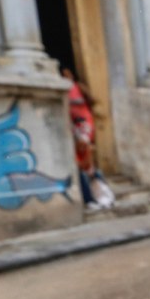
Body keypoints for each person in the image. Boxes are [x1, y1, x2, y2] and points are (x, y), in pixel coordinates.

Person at [61, 67, 113, 210]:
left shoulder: (75, 89)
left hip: (82, 127)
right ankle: (101, 195)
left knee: (85, 167)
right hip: (78, 128)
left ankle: (94, 198)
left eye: (67, 73)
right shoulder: (68, 91)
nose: (65, 76)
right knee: (87, 167)